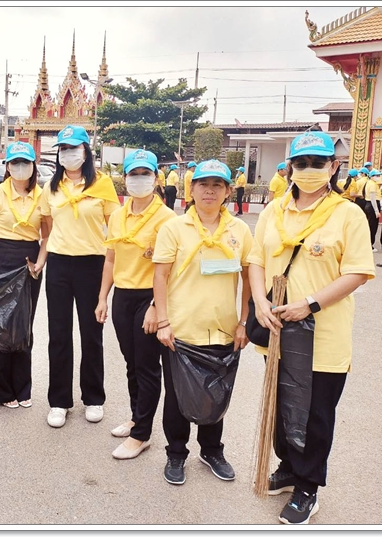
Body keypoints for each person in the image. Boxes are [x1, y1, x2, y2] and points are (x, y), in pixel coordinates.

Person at [248, 131, 374, 524]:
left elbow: (357, 271)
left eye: (318, 163)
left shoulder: (347, 214)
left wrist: (309, 303)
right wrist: (260, 301)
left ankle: (308, 487)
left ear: (333, 167)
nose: (308, 170)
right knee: (282, 403)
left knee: (315, 413)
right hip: (278, 330)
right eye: (300, 163)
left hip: (323, 335)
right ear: (289, 168)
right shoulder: (274, 210)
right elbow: (255, 260)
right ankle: (288, 467)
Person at [152, 159, 252, 486]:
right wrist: (163, 321)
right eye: (203, 184)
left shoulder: (240, 231)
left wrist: (244, 321)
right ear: (191, 189)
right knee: (177, 398)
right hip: (180, 330)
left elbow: (249, 278)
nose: (210, 191)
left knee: (216, 393)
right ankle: (176, 453)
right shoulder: (174, 228)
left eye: (217, 185)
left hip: (223, 329)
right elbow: (160, 276)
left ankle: (211, 451)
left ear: (227, 191)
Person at [95, 149, 175, 460]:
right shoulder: (118, 215)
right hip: (123, 296)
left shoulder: (167, 219)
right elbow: (110, 258)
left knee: (146, 366)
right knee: (131, 362)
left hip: (149, 297)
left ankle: (141, 434)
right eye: (133, 174)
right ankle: (135, 417)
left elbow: (169, 270)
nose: (139, 179)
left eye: (145, 174)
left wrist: (156, 305)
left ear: (155, 179)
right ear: (125, 178)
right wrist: (103, 297)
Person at [39, 125, 121, 428]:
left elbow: (115, 227)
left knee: (91, 333)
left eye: (73, 148)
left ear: (86, 151)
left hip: (92, 264)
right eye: (63, 148)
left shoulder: (102, 185)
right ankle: (59, 401)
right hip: (59, 265)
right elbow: (47, 226)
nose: (68, 153)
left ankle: (94, 397)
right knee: (59, 334)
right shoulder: (51, 187)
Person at [0, 141, 47, 409]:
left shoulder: (43, 195)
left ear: (33, 166)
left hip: (29, 262)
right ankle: (3, 391)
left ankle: (23, 388)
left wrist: (40, 262)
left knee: (24, 326)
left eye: (25, 163)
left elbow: (47, 236)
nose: (20, 167)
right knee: (0, 325)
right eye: (15, 162)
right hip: (2, 260)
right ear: (7, 166)